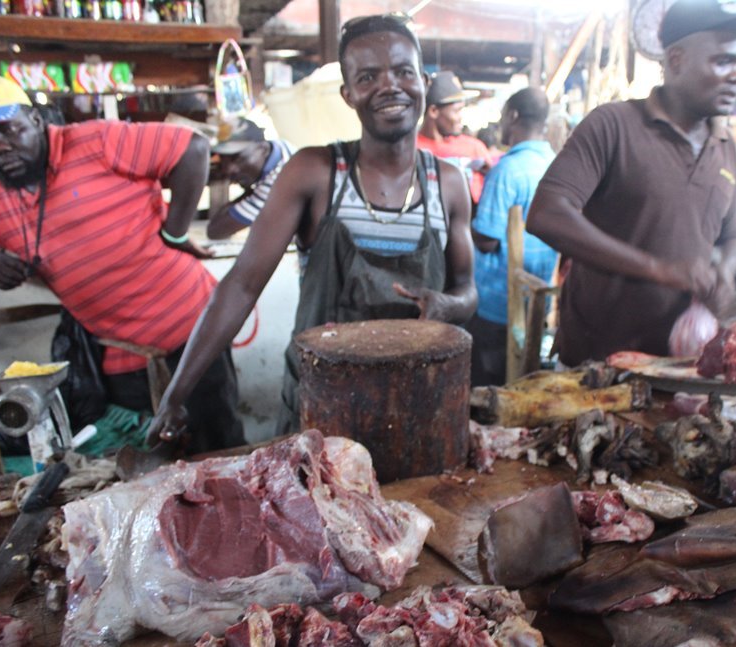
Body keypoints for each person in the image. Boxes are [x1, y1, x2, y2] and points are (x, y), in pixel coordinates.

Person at [147, 13, 476, 444]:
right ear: (348, 94)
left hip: (416, 407)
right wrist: (177, 393)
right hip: (320, 411)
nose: (389, 86)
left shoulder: (447, 184)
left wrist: (448, 307)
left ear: (423, 81)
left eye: (402, 71)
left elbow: (468, 291)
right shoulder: (316, 173)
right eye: (368, 76)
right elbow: (241, 286)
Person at [0, 74, 244, 454]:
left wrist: (174, 232)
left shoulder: (94, 141)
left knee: (219, 449)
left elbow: (193, 149)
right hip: (120, 356)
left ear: (37, 121)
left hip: (191, 332)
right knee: (148, 462)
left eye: (9, 130)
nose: (0, 147)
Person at [526, 0, 736, 367]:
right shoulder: (613, 126)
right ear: (675, 60)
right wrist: (659, 269)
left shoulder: (725, 147)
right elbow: (547, 214)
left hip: (680, 366)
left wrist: (725, 271)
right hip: (598, 363)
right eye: (722, 61)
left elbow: (731, 238)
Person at [468, 87, 558, 386]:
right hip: (536, 303)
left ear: (513, 115)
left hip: (497, 307)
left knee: (488, 393)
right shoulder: (555, 165)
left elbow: (487, 240)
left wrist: (464, 216)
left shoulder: (507, 170)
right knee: (523, 386)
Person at [206, 117, 295, 239]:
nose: (229, 169)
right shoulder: (282, 147)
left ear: (262, 149)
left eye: (238, 158)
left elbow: (215, 231)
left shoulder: (276, 185)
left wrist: (249, 192)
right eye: (223, 159)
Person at [416, 70, 494, 205]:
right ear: (433, 111)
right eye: (456, 111)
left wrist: (490, 173)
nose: (460, 118)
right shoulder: (412, 148)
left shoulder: (474, 148)